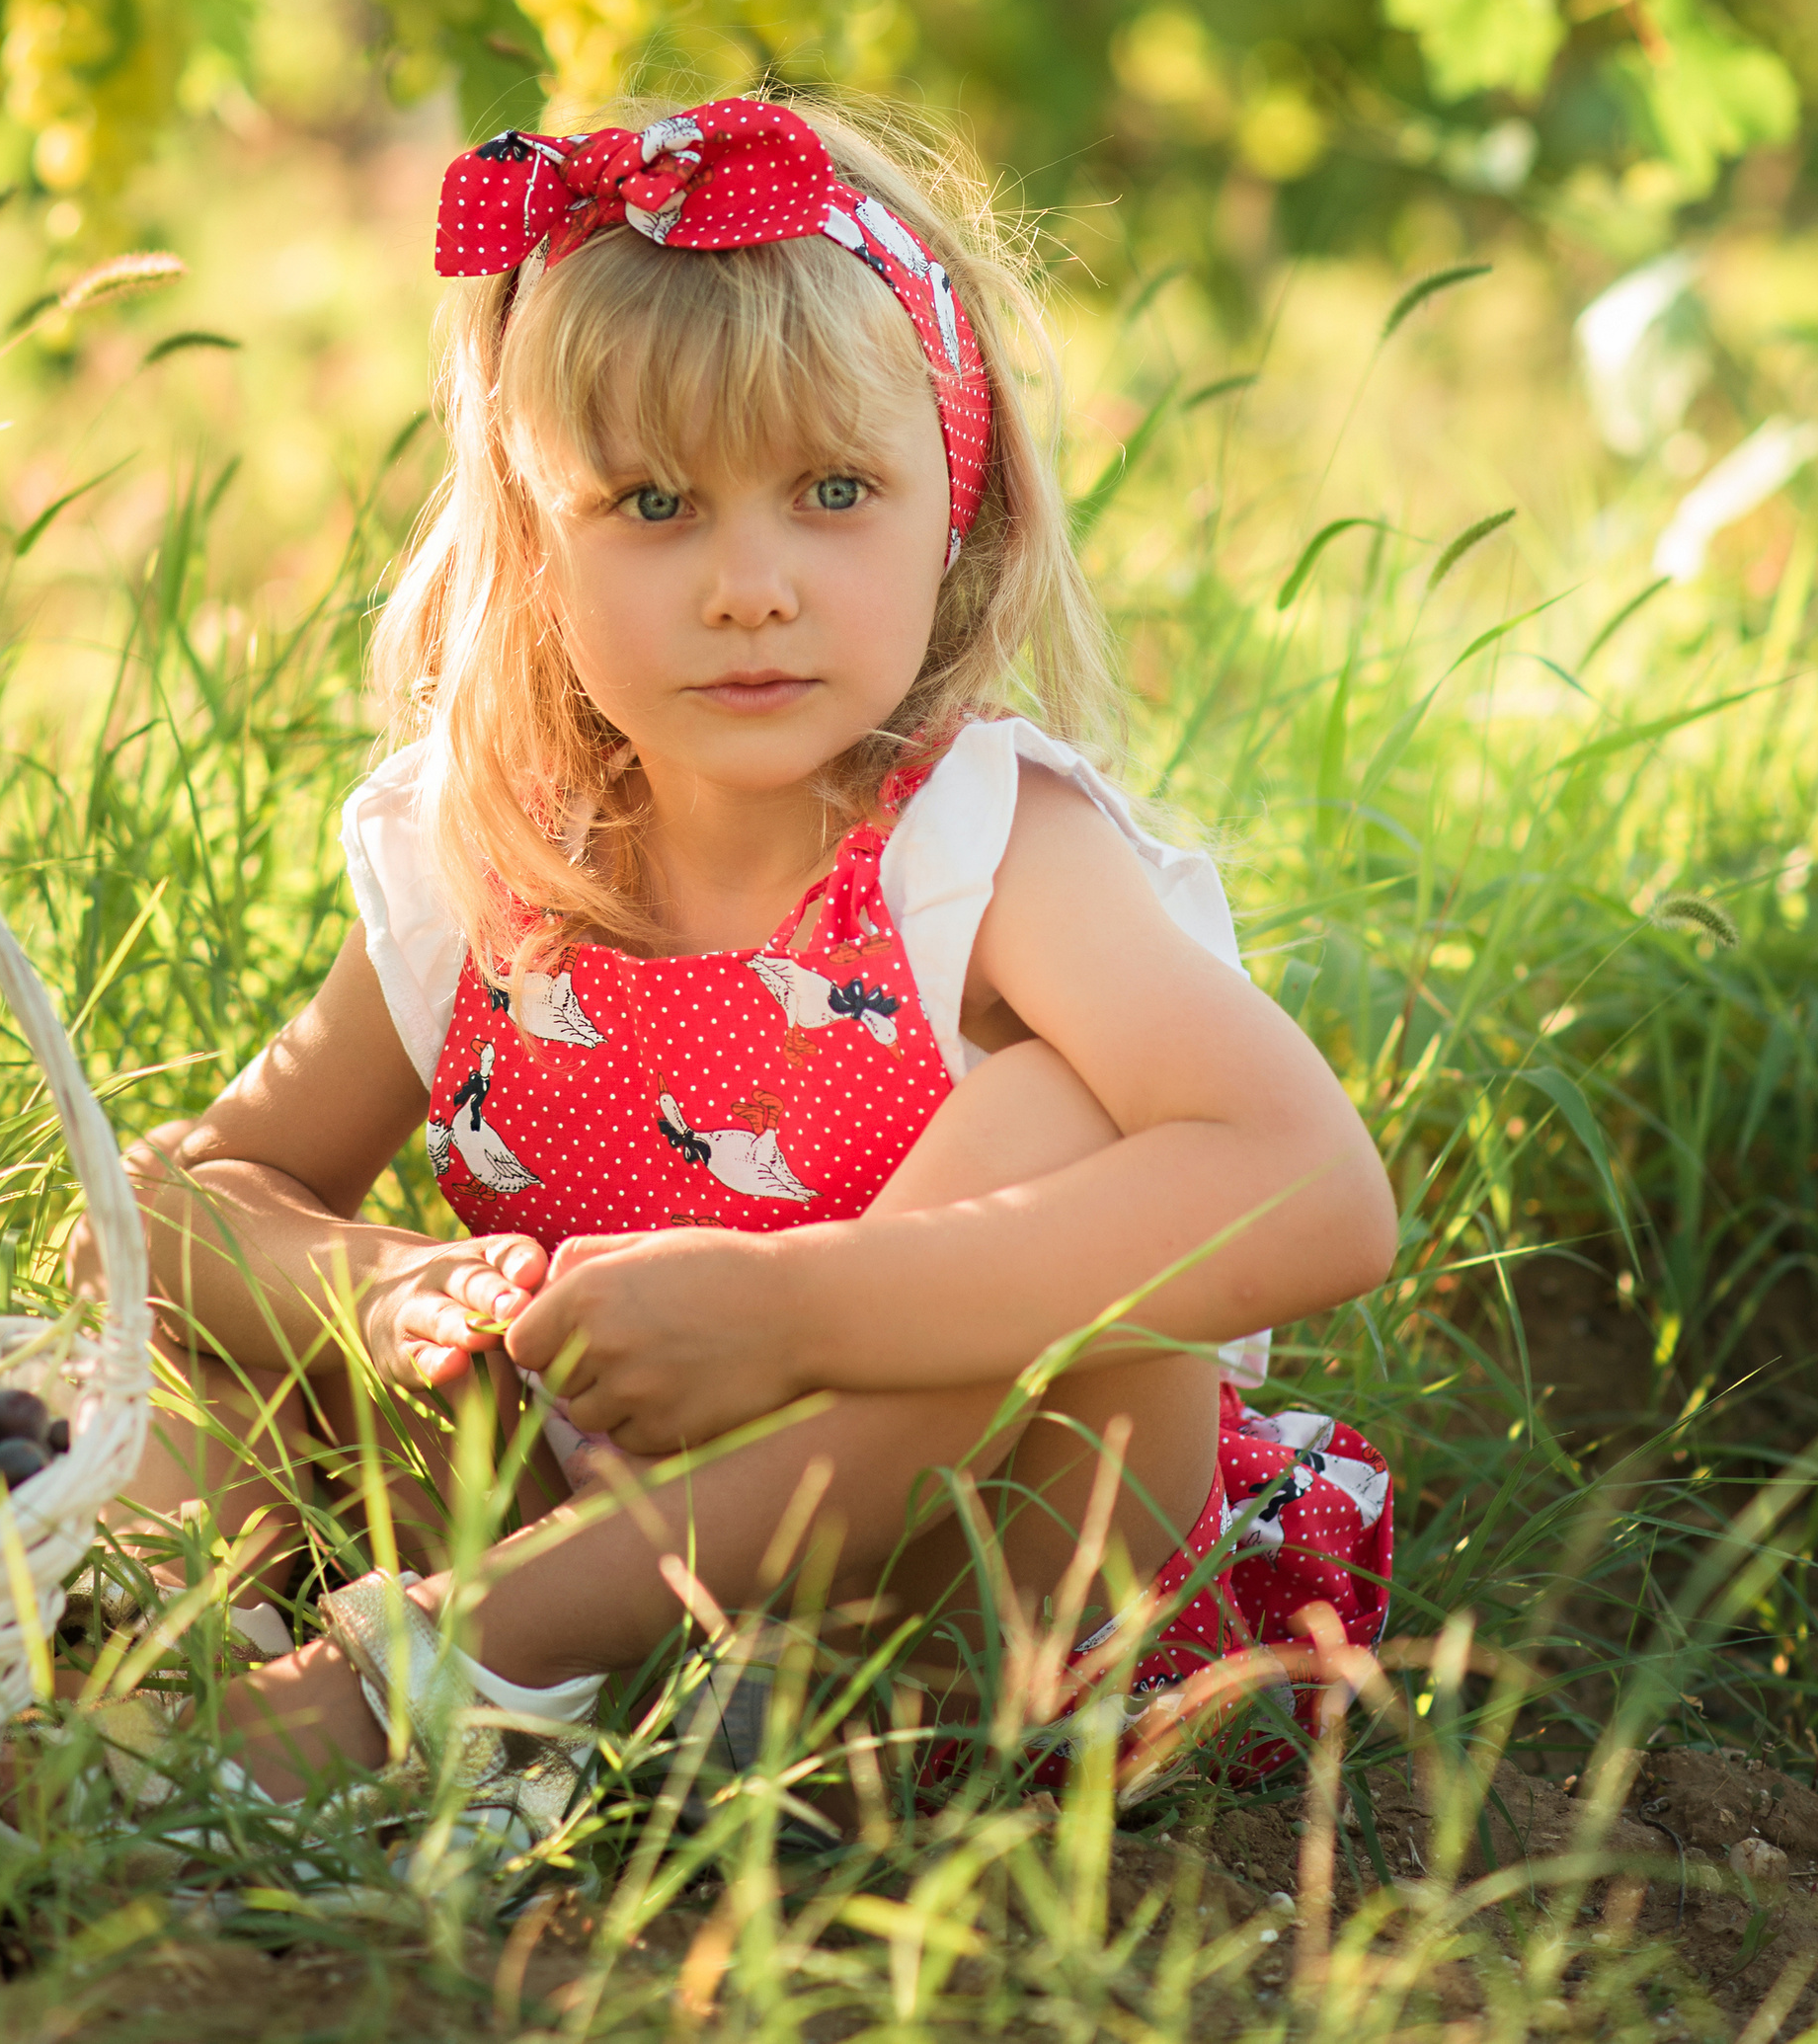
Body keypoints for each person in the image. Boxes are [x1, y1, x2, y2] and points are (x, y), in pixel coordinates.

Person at [77, 96, 1397, 1837]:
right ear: (536, 545)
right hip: (584, 1516)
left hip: (960, 1610)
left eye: (835, 493)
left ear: (958, 510)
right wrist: (379, 1291)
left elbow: (1317, 1192)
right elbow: (160, 1206)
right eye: (654, 504)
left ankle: (459, 1668)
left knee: (1062, 1117)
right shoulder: (497, 855)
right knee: (178, 1359)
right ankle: (190, 1665)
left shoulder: (984, 849)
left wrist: (792, 1312)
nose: (752, 587)